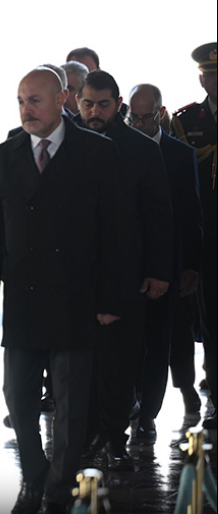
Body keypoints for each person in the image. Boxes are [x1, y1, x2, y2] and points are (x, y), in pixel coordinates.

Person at [0, 67, 129, 514]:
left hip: (76, 296)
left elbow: (117, 232)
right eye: (21, 101)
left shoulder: (97, 151)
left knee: (70, 403)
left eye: (35, 100)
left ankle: (59, 488)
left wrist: (110, 299)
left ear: (62, 98)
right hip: (22, 296)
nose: (27, 109)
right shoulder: (5, 155)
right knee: (17, 398)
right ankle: (35, 473)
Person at [74, 70, 174, 471]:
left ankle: (115, 440)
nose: (94, 112)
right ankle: (82, 439)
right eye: (87, 104)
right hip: (77, 276)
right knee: (79, 364)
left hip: (126, 274)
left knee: (121, 362)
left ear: (118, 105)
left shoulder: (141, 149)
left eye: (102, 105)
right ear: (77, 102)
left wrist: (159, 270)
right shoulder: (65, 144)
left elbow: (159, 217)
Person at [126, 84, 203, 442]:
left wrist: (191, 266)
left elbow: (191, 215)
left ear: (161, 113)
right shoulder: (115, 149)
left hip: (166, 264)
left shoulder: (179, 154)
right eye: (134, 117)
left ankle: (148, 416)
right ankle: (129, 405)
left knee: (160, 340)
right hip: (125, 264)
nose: (139, 124)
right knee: (126, 343)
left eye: (147, 117)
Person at [170, 42, 218, 430]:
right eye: (212, 75)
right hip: (210, 237)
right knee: (212, 320)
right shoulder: (188, 120)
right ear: (202, 78)